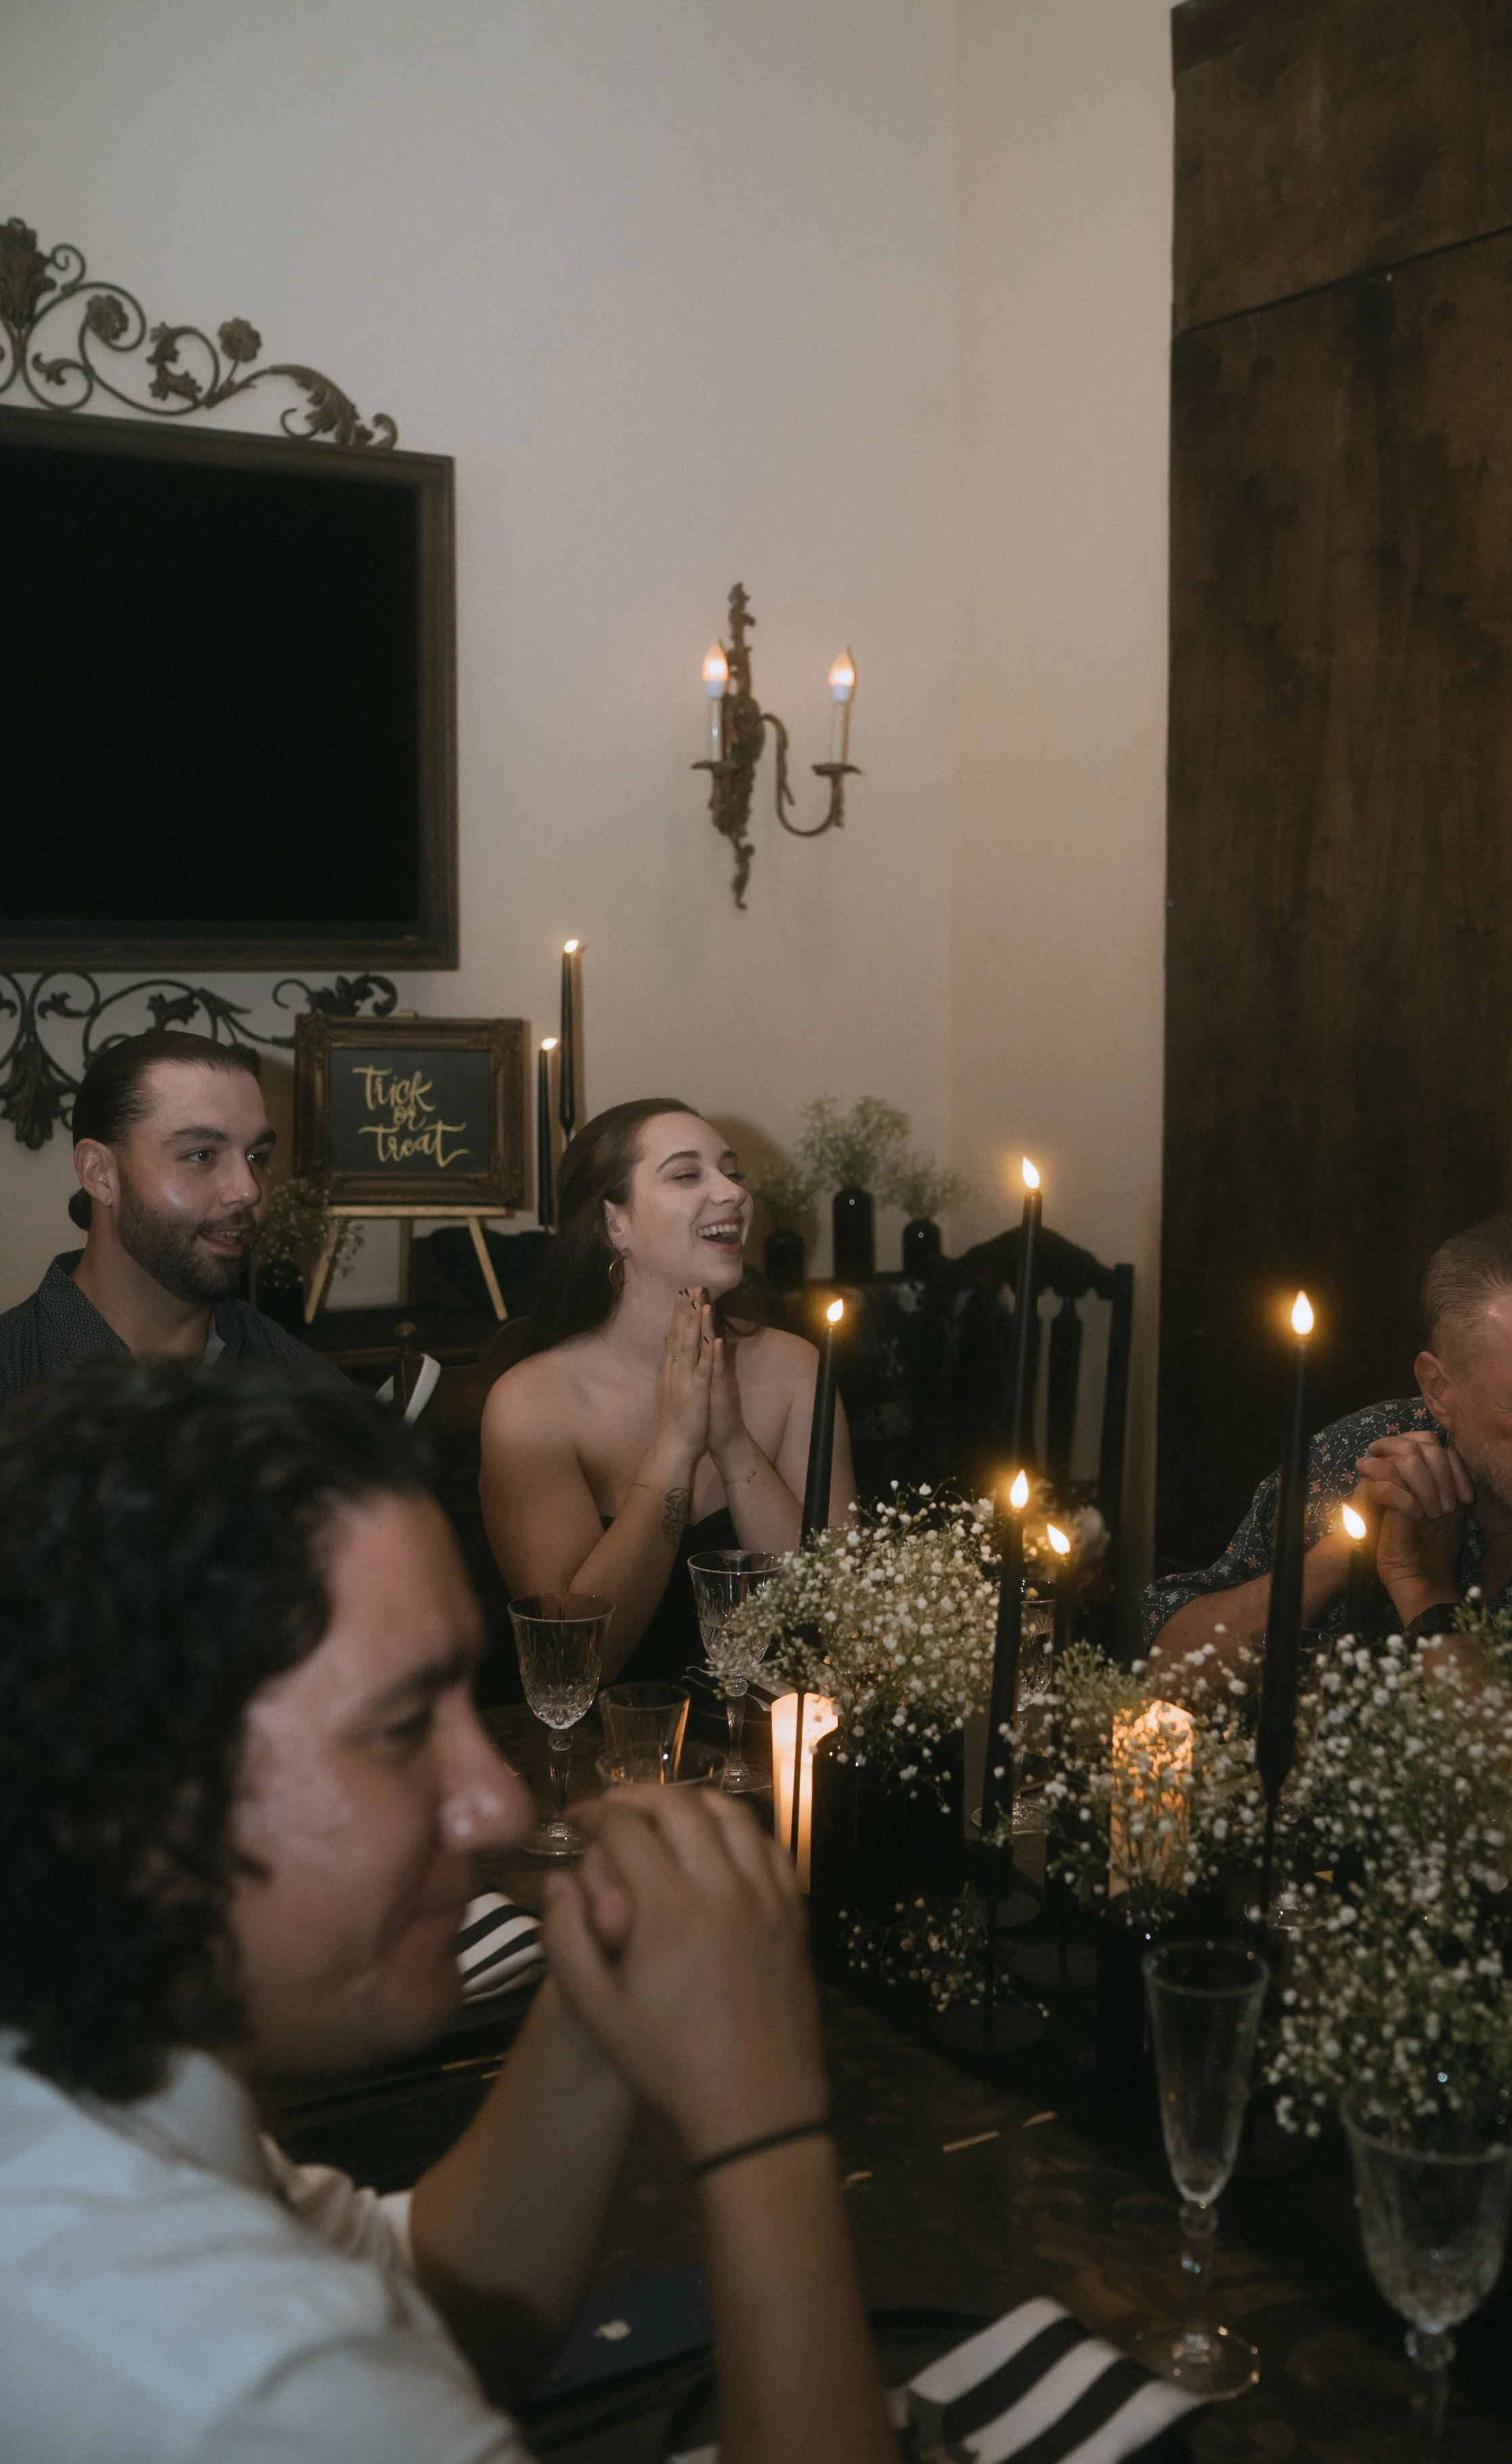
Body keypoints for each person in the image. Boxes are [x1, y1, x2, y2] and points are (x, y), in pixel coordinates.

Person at [0, 1362, 894, 2464]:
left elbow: (421, 2298)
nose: (498, 1803)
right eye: (398, 1729)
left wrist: (596, 1983)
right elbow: (337, 2366)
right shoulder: (245, 2389)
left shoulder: (90, 2095)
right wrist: (763, 2120)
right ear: (135, 1813)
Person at [1145, 1215, 1512, 1872]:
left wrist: (1422, 1591)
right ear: (1439, 1391)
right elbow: (1164, 1683)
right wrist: (1334, 1559)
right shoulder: (1361, 1451)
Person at [480, 1099, 855, 1682]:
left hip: (772, 1742)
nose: (731, 1192)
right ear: (614, 1224)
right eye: (687, 1175)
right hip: (605, 1750)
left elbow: (839, 1620)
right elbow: (577, 1663)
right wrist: (674, 1450)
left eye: (732, 1171)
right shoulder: (533, 1404)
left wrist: (734, 1446)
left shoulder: (797, 1367)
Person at [0, 1029, 329, 1406]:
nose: (248, 1191)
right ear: (98, 1173)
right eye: (202, 1155)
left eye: (257, 1157)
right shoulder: (14, 1382)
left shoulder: (306, 1395)